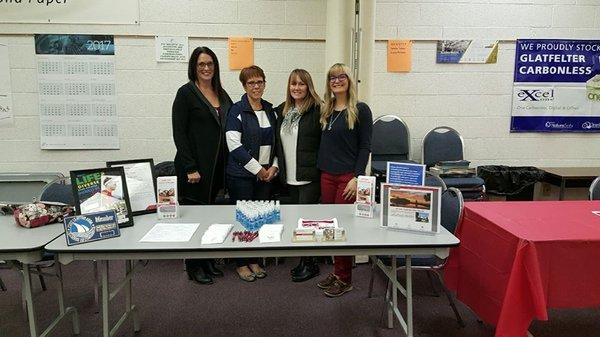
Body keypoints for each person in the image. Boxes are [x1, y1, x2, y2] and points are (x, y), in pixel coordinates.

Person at [172, 46, 232, 285]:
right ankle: (193, 266)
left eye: (210, 64)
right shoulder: (186, 93)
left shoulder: (222, 93)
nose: (206, 68)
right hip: (194, 170)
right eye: (201, 64)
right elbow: (179, 133)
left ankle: (206, 260)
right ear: (194, 68)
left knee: (209, 218)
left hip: (216, 168)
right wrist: (189, 167)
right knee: (194, 219)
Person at [315, 63, 373, 297]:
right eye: (332, 77)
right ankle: (338, 272)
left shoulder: (360, 109)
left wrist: (357, 177)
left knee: (344, 228)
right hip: (326, 176)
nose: (336, 81)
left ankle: (345, 278)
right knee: (331, 227)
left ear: (349, 80)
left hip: (347, 179)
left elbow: (365, 146)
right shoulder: (327, 110)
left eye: (341, 77)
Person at [226, 65, 277, 282]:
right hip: (242, 176)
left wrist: (274, 167)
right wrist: (258, 170)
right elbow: (233, 146)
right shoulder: (237, 110)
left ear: (265, 83)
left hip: (266, 175)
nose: (256, 86)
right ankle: (241, 262)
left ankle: (254, 258)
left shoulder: (270, 110)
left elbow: (277, 143)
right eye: (251, 83)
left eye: (260, 82)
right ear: (244, 86)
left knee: (260, 219)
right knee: (244, 219)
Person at [274, 69, 322, 282]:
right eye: (293, 84)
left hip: (309, 176)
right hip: (289, 176)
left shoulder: (318, 110)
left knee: (306, 222)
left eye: (301, 84)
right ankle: (304, 260)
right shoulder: (284, 112)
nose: (297, 88)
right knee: (295, 220)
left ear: (308, 86)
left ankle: (310, 263)